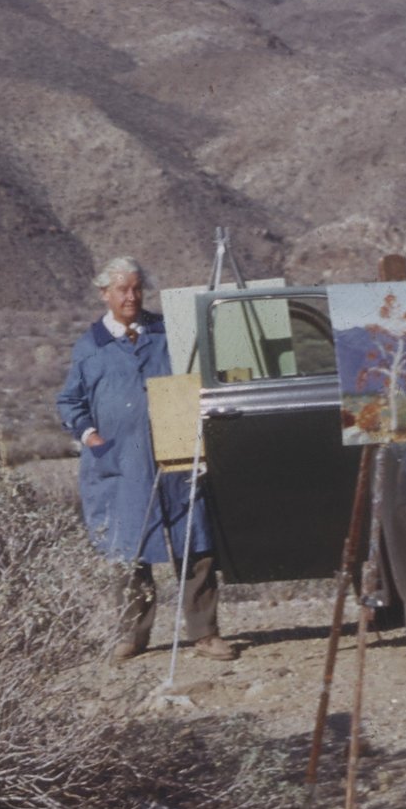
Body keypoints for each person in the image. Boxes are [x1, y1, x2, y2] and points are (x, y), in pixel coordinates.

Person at [56, 256, 238, 663]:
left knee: (197, 542)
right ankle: (133, 636)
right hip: (121, 465)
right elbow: (69, 401)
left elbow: (201, 373)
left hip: (176, 455)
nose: (131, 297)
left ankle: (205, 634)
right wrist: (92, 437)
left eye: (137, 288)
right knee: (128, 548)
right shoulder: (91, 345)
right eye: (122, 289)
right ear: (105, 294)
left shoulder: (166, 331)